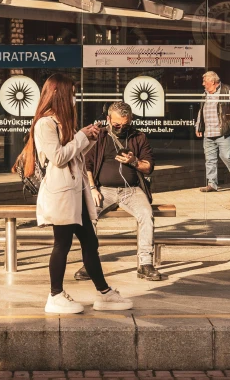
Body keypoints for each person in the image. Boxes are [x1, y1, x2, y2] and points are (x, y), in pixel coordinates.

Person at [16, 73, 134, 314]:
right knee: (62, 243)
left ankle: (104, 293)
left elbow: (74, 155)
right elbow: (58, 157)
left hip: (75, 191)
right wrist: (81, 136)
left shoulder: (61, 122)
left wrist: (89, 138)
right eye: (71, 93)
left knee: (90, 242)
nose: (74, 98)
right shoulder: (44, 124)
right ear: (59, 94)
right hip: (60, 192)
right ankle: (55, 295)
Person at [73, 101, 163, 281]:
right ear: (108, 119)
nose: (121, 128)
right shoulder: (99, 137)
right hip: (103, 190)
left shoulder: (139, 137)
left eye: (125, 124)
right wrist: (92, 189)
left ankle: (145, 263)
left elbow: (149, 167)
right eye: (116, 124)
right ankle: (90, 262)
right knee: (89, 216)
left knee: (146, 214)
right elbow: (86, 166)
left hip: (132, 190)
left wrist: (134, 161)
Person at [195, 71, 230, 192]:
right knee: (210, 160)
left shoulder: (228, 91)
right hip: (208, 133)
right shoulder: (205, 94)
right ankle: (212, 184)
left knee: (227, 156)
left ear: (212, 82)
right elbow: (201, 111)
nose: (203, 84)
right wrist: (198, 125)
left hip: (225, 131)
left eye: (204, 81)